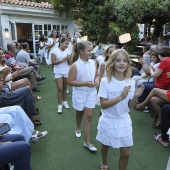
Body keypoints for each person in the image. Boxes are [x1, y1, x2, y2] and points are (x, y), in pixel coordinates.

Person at [96, 49, 143, 170]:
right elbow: (103, 105)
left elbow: (131, 107)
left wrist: (136, 97)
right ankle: (104, 161)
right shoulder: (105, 82)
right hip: (108, 119)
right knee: (106, 144)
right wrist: (121, 96)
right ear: (112, 63)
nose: (122, 63)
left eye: (124, 60)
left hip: (124, 120)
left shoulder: (131, 82)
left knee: (126, 152)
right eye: (118, 60)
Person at [67, 41, 99, 151]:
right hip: (79, 93)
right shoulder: (75, 65)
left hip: (91, 92)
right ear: (81, 52)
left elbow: (97, 75)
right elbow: (70, 82)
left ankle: (87, 142)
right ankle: (78, 127)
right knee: (79, 113)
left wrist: (97, 80)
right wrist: (85, 83)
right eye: (88, 50)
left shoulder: (94, 62)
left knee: (89, 116)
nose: (91, 52)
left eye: (91, 50)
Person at [51, 37, 71, 113]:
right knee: (60, 88)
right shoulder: (55, 51)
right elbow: (53, 62)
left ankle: (65, 101)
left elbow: (69, 63)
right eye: (66, 43)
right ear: (61, 43)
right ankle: (59, 105)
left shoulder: (68, 51)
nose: (67, 45)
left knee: (65, 88)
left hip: (66, 71)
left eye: (68, 44)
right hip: (58, 72)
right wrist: (64, 59)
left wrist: (68, 59)